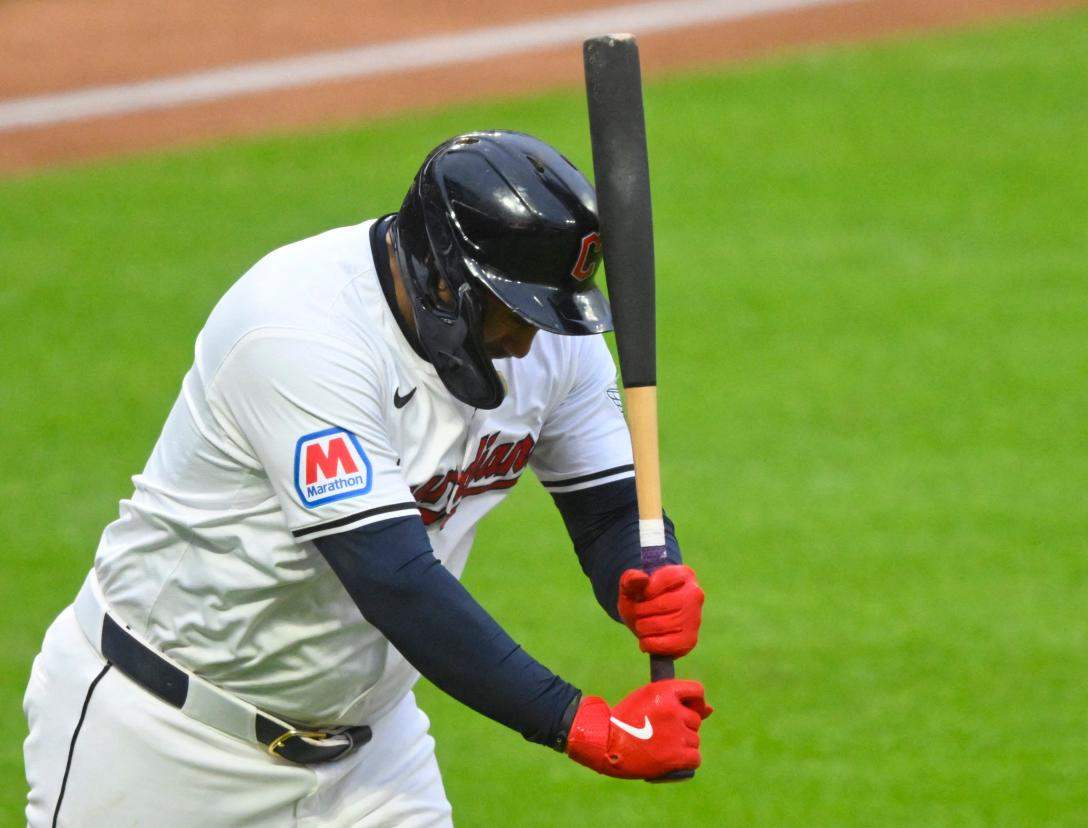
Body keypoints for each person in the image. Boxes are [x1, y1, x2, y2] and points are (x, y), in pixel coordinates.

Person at [23, 130, 710, 827]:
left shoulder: (549, 343)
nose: (530, 342)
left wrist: (640, 577)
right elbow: (395, 580)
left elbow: (610, 514)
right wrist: (584, 724)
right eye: (516, 311)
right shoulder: (299, 330)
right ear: (445, 278)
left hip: (370, 758)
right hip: (163, 740)